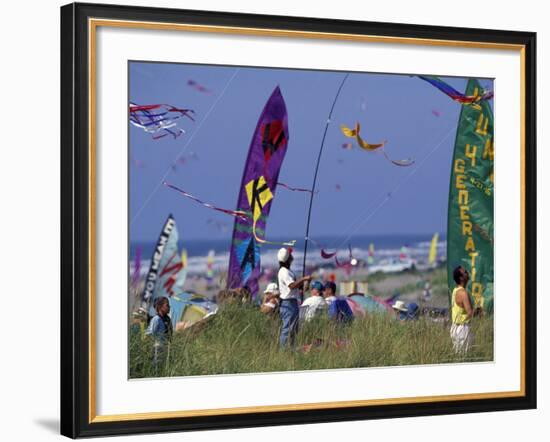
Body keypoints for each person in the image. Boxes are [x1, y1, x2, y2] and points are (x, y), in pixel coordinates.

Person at [277, 247, 311, 348]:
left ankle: (290, 349)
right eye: (290, 256)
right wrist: (303, 278)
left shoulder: (288, 271)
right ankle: (284, 352)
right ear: (288, 259)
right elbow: (291, 286)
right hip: (288, 303)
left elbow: (302, 289)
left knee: (293, 329)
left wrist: (307, 281)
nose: (292, 257)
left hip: (292, 302)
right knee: (287, 329)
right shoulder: (284, 272)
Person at [450, 266, 474, 354]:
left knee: (458, 355)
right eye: (465, 272)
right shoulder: (463, 293)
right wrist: (478, 311)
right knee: (465, 356)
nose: (467, 273)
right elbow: (470, 313)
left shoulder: (455, 290)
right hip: (462, 328)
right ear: (461, 278)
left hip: (454, 327)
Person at [145, 296, 173, 373]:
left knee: (164, 369)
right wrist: (148, 349)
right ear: (160, 307)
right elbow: (150, 334)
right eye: (167, 305)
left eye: (169, 305)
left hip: (166, 348)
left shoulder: (167, 319)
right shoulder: (156, 319)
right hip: (158, 348)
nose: (169, 307)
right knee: (156, 368)